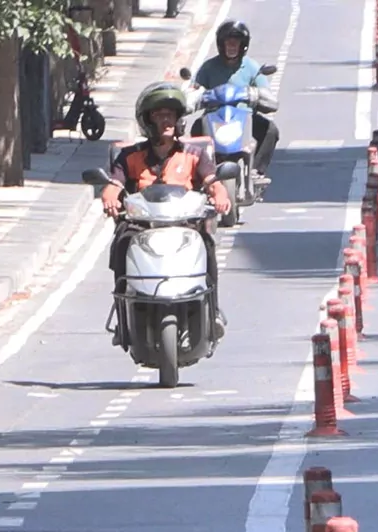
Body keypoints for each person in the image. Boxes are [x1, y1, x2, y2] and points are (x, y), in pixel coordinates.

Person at [100, 82, 231, 344]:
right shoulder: (129, 157)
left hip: (185, 225)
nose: (167, 120)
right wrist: (109, 196)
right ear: (147, 121)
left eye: (171, 115)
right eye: (160, 115)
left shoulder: (194, 155)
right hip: (142, 227)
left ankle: (212, 311)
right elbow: (113, 185)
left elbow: (212, 181)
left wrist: (221, 194)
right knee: (121, 244)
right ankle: (123, 318)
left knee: (207, 245)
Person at [190, 20, 281, 178]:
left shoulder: (252, 67)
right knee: (196, 130)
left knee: (270, 130)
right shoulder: (208, 67)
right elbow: (195, 89)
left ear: (243, 45)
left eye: (236, 43)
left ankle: (256, 170)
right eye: (228, 42)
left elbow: (267, 94)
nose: (232, 47)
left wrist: (257, 96)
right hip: (214, 117)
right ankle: (199, 173)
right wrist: (190, 99)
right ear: (221, 44)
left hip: (244, 117)